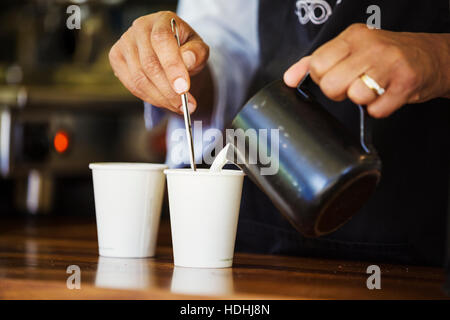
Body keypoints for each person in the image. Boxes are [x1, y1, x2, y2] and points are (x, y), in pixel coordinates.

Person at [109, 0, 450, 266]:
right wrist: (180, 66)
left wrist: (438, 57)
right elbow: (228, 50)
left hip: (423, 238)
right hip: (262, 242)